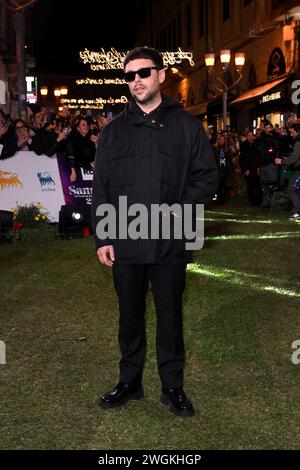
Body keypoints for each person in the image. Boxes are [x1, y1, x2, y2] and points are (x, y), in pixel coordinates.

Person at [91, 46, 218, 417]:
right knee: (128, 316)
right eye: (129, 76)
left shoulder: (187, 125)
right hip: (125, 238)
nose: (136, 81)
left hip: (171, 237)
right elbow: (101, 190)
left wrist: (176, 211)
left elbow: (207, 178)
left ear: (160, 75)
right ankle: (129, 383)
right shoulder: (112, 132)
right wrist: (104, 237)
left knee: (170, 316)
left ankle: (172, 386)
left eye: (143, 73)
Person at [275, 123, 300, 220]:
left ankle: (298, 211)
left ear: (296, 131)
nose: (291, 135)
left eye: (292, 132)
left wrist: (282, 161)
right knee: (297, 190)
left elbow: (294, 158)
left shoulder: (299, 140)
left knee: (291, 189)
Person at [239, 130, 262, 206]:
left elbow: (258, 157)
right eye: (249, 135)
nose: (251, 137)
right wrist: (245, 169)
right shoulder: (243, 145)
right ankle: (252, 201)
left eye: (252, 135)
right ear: (247, 136)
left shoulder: (256, 144)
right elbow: (242, 159)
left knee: (257, 186)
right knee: (250, 187)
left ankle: (258, 201)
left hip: (256, 168)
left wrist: (258, 167)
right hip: (248, 169)